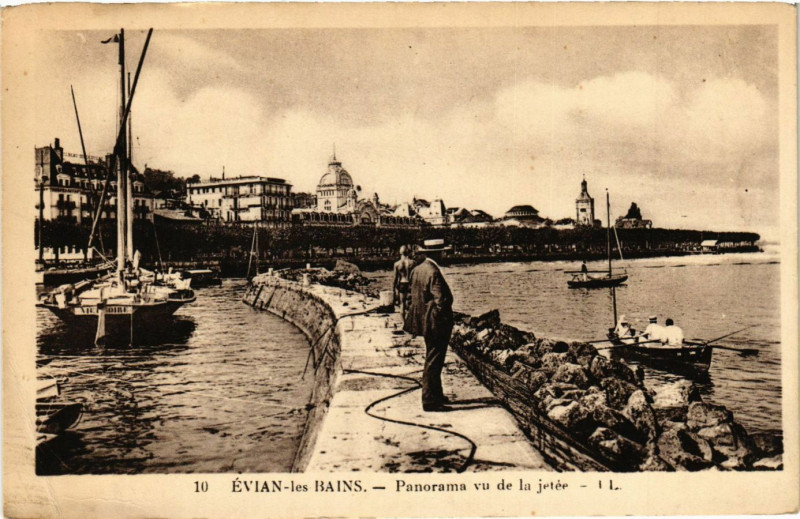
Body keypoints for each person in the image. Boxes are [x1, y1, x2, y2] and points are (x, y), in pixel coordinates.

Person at [403, 239, 454, 412]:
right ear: (438, 253)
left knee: (433, 357)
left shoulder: (418, 269)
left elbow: (414, 296)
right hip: (435, 322)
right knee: (434, 360)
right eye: (442, 251)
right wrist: (443, 319)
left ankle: (437, 394)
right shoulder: (434, 271)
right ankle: (430, 400)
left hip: (423, 320)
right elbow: (441, 300)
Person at [392, 245, 413, 317]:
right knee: (412, 304)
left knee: (402, 304)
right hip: (411, 284)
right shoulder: (412, 263)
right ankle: (410, 322)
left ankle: (403, 323)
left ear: (400, 253)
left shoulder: (397, 264)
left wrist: (393, 290)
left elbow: (395, 278)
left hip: (402, 283)